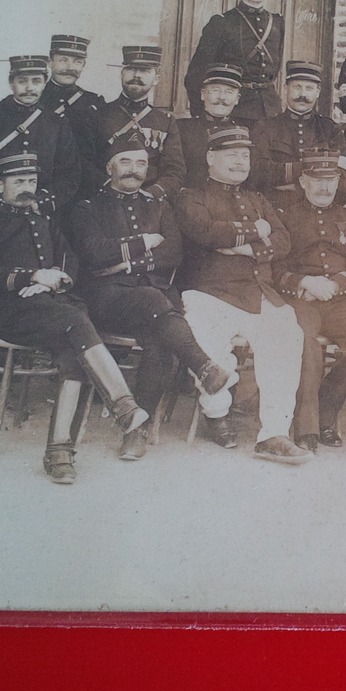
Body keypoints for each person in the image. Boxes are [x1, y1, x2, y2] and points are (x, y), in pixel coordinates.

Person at [0, 151, 150, 484]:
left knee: (73, 348)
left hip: (50, 311)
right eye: (18, 181)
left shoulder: (46, 221)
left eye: (31, 181)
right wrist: (31, 277)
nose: (26, 188)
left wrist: (58, 277)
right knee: (76, 322)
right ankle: (123, 407)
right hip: (6, 313)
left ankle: (59, 452)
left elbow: (70, 260)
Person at [66, 132, 237, 462]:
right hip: (107, 299)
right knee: (156, 300)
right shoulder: (89, 207)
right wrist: (145, 243)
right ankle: (203, 366)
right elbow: (94, 253)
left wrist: (123, 262)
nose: (134, 169)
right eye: (126, 162)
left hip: (151, 298)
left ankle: (137, 430)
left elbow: (173, 254)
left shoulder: (159, 205)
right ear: (109, 167)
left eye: (142, 163)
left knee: (160, 338)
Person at [173, 125, 310, 464]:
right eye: (231, 154)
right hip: (209, 290)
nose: (239, 162)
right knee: (207, 335)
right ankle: (216, 414)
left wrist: (244, 250)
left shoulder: (257, 199)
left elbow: (283, 241)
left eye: (245, 156)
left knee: (286, 334)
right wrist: (255, 232)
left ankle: (274, 433)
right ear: (210, 158)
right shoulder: (191, 196)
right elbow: (205, 232)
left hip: (257, 291)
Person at [274, 150, 346, 452]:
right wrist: (304, 282)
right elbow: (275, 267)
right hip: (300, 299)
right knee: (307, 344)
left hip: (339, 300)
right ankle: (306, 429)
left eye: (331, 180)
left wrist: (333, 284)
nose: (325, 188)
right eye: (317, 180)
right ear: (303, 181)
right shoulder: (284, 216)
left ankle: (324, 414)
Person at [0, 53, 82, 214]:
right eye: (22, 81)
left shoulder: (57, 123)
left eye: (36, 81)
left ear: (44, 83)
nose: (29, 88)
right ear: (11, 83)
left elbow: (70, 174)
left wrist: (43, 201)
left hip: (41, 216)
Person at [183, 0, 284, 122]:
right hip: (234, 112)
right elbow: (196, 74)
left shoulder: (278, 22)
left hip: (271, 111)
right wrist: (202, 116)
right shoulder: (222, 23)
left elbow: (275, 67)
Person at [91, 45, 185, 202]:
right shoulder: (98, 115)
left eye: (145, 71)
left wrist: (153, 193)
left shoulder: (165, 122)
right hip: (106, 199)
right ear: (122, 73)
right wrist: (110, 188)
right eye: (131, 69)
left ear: (156, 78)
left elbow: (175, 170)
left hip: (151, 203)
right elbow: (86, 164)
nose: (136, 75)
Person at [250, 61, 346, 202]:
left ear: (318, 92)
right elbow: (257, 174)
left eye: (309, 88)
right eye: (297, 87)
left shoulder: (330, 130)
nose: (302, 94)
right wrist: (311, 172)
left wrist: (291, 184)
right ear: (285, 89)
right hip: (277, 209)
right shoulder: (265, 127)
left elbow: (344, 181)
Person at [40, 34, 106, 174]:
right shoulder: (37, 99)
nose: (70, 68)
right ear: (50, 62)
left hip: (84, 183)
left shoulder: (94, 103)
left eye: (77, 62)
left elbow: (100, 153)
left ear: (84, 65)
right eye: (63, 60)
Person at [175, 64, 242, 190]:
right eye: (215, 90)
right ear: (203, 94)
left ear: (237, 99)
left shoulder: (243, 133)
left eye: (229, 92)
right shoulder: (181, 129)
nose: (222, 97)